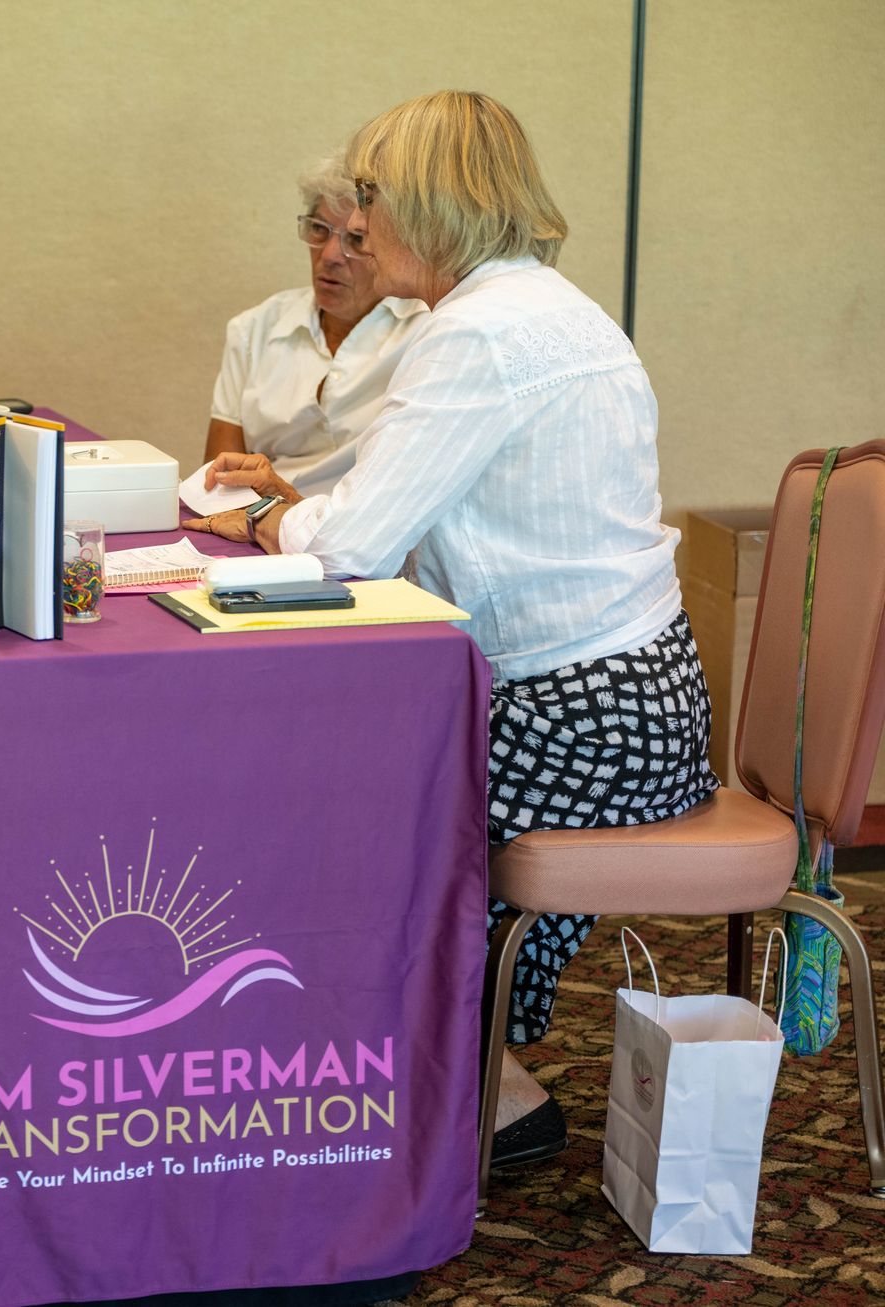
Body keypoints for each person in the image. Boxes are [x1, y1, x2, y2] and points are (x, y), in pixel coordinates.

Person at [187, 91, 717, 1169]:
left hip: (588, 715)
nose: (358, 227)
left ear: (430, 202)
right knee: (354, 784)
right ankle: (462, 1071)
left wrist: (266, 512)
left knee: (333, 815)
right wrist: (304, 510)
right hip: (641, 697)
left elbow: (350, 551)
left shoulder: (476, 335)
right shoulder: (544, 309)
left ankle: (474, 1091)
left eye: (372, 200)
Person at [202, 156, 428, 497]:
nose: (330, 256)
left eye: (356, 239)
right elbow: (217, 477)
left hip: (362, 532)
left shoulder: (423, 330)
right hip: (257, 527)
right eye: (319, 230)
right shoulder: (256, 328)